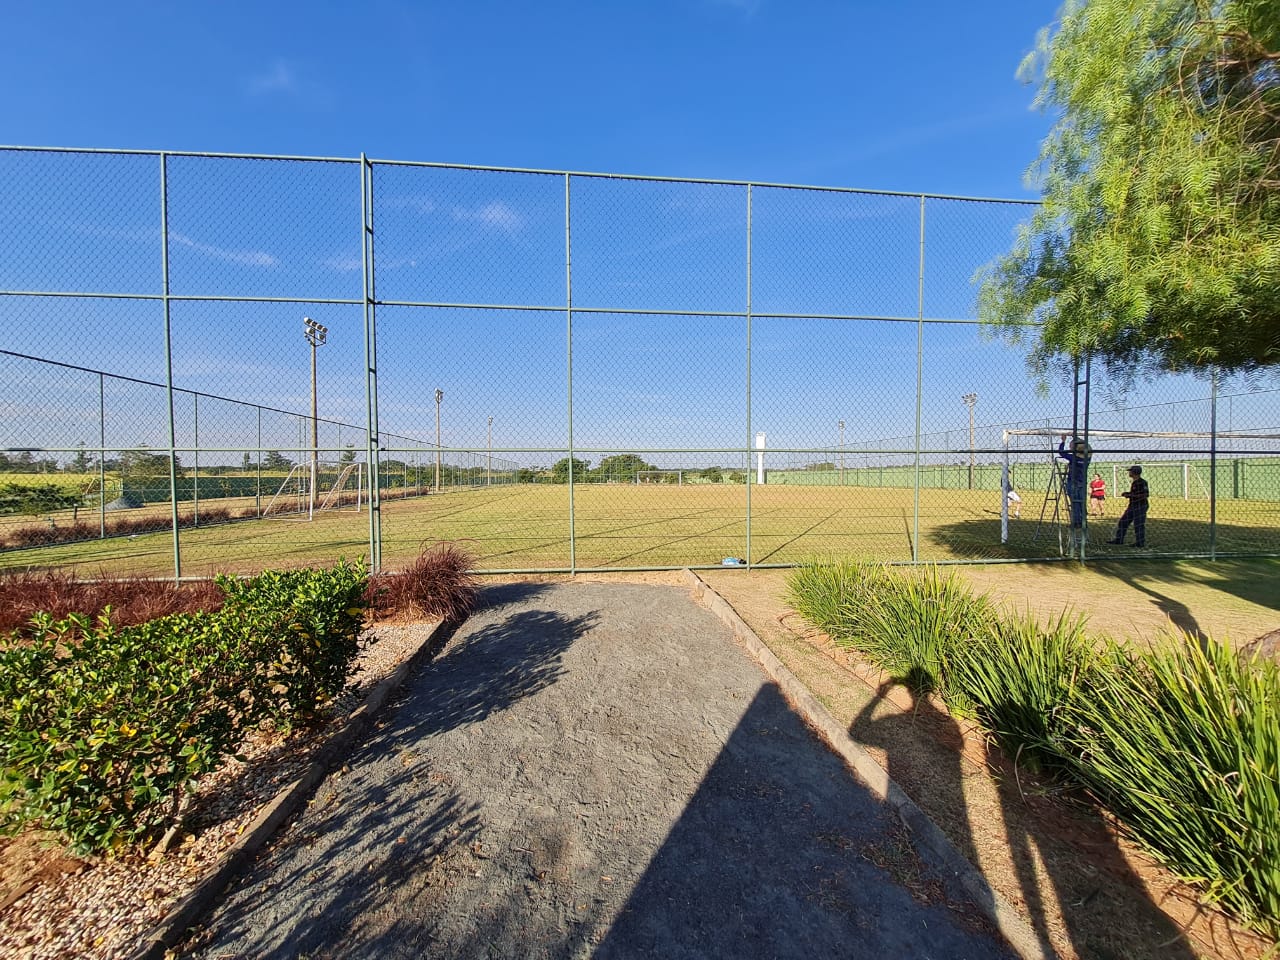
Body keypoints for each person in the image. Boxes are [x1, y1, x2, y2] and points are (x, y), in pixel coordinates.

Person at [1107, 465, 1150, 547]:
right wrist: (1129, 494)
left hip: (1140, 506)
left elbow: (1145, 495)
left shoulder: (1142, 482)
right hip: (1133, 506)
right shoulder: (1134, 482)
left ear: (1134, 472)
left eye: (1130, 471)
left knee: (1138, 524)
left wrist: (1131, 495)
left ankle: (1140, 542)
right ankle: (1119, 539)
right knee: (1123, 522)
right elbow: (1136, 494)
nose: (1129, 472)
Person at [1057, 434, 1091, 528]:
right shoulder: (1087, 458)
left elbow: (1061, 453)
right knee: (1081, 503)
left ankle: (1077, 522)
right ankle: (1083, 521)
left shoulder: (1074, 458)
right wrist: (1074, 437)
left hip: (1073, 482)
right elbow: (1086, 445)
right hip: (1082, 482)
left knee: (1075, 503)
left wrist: (1063, 441)